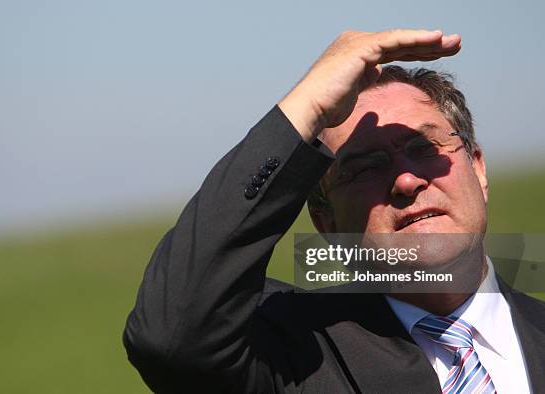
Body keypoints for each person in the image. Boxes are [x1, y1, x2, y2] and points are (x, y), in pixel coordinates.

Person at [123, 29, 545, 393]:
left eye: (423, 148)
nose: (406, 181)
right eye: (366, 167)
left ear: (477, 167)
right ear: (325, 221)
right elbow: (171, 336)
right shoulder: (293, 354)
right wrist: (306, 107)